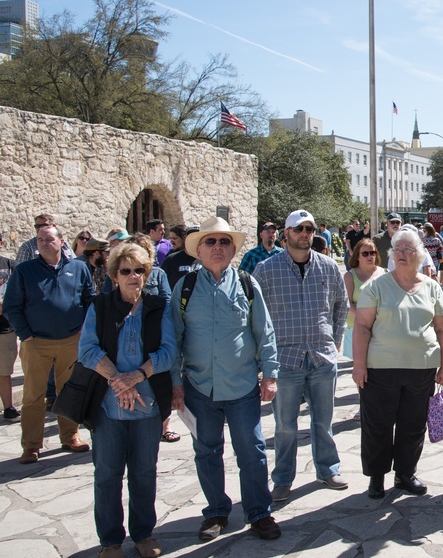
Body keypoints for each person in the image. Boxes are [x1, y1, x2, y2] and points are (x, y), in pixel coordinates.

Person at [169, 216, 281, 542]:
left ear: (232, 249)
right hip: (199, 387)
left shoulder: (247, 284)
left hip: (242, 385)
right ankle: (217, 511)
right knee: (207, 452)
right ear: (199, 250)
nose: (217, 247)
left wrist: (270, 375)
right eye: (210, 242)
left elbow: (265, 332)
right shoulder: (185, 288)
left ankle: (259, 512)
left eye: (224, 242)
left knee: (253, 452)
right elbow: (173, 338)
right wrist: (175, 384)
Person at [78, 242, 177, 558]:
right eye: (126, 271)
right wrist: (117, 380)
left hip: (147, 408)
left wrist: (136, 376)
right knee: (107, 475)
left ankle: (144, 534)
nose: (133, 276)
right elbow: (87, 350)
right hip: (109, 408)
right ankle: (109, 541)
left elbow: (169, 352)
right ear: (115, 275)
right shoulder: (101, 306)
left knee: (144, 473)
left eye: (139, 270)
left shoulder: (158, 306)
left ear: (147, 273)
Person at [253, 210, 350, 502]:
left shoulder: (328, 267)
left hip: (322, 358)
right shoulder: (266, 270)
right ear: (286, 233)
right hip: (286, 360)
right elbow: (257, 318)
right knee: (284, 425)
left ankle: (328, 469)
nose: (304, 234)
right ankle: (282, 478)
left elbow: (340, 307)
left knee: (324, 420)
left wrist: (333, 345)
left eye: (309, 228)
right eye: (298, 229)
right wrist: (264, 362)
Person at [353, 227, 443, 498]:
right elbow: (361, 326)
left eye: (408, 250)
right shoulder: (376, 285)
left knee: (413, 424)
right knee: (378, 425)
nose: (402, 254)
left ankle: (405, 474)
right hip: (380, 369)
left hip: (422, 369)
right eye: (397, 250)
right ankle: (376, 477)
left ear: (419, 254)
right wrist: (358, 365)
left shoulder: (431, 286)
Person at [5, 223, 94, 463]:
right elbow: (12, 305)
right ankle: (31, 445)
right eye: (40, 239)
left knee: (69, 391)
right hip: (37, 342)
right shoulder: (25, 271)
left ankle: (70, 436)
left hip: (70, 341)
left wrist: (84, 332)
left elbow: (89, 300)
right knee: (33, 397)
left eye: (49, 239)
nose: (44, 243)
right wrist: (26, 334)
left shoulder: (78, 268)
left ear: (62, 241)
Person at [344, 238, 386, 365]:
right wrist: (366, 318)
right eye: (365, 253)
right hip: (357, 327)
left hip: (381, 327)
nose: (370, 256)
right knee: (361, 367)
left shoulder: (384, 274)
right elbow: (347, 304)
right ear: (357, 256)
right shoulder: (349, 276)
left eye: (372, 253)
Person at [0, 235, 20, 422]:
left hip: (5, 327)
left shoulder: (10, 265)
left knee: (4, 370)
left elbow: (17, 292)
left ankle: (8, 407)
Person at [161, 225, 199, 290]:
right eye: (191, 238)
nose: (171, 242)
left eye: (174, 238)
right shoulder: (171, 259)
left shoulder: (208, 259)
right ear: (185, 239)